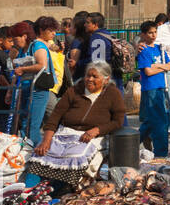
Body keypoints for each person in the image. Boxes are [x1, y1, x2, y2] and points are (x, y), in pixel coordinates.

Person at [36, 61, 126, 154]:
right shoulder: (74, 90)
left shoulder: (113, 93)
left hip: (93, 137)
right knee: (43, 155)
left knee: (73, 155)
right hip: (65, 133)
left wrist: (97, 130)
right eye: (88, 76)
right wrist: (46, 141)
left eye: (95, 76)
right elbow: (55, 116)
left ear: (106, 80)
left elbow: (117, 121)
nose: (90, 79)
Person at [14, 16, 60, 147]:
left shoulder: (37, 45)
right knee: (25, 123)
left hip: (38, 89)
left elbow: (42, 65)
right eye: (51, 30)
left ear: (24, 36)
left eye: (16, 38)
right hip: (27, 88)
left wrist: (23, 68)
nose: (54, 33)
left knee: (32, 124)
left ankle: (32, 152)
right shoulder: (25, 48)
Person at [137, 20, 170, 157]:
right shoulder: (143, 50)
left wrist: (156, 66)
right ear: (144, 34)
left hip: (162, 87)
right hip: (151, 88)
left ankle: (132, 143)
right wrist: (161, 67)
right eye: (150, 32)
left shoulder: (159, 48)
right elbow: (147, 71)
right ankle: (161, 153)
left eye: (155, 32)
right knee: (159, 122)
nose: (153, 35)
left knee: (153, 120)